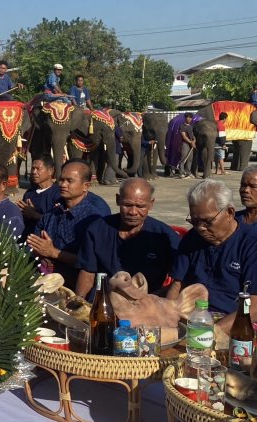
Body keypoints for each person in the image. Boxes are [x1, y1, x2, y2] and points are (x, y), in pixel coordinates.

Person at [167, 179, 257, 329]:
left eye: (207, 221)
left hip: (234, 323)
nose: (201, 228)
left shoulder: (251, 244)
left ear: (229, 213)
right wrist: (168, 321)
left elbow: (254, 306)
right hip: (191, 318)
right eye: (194, 221)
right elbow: (176, 286)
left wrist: (212, 333)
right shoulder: (192, 239)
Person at [75, 178, 180, 298]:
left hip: (145, 304)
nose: (133, 212)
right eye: (127, 205)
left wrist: (152, 300)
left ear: (151, 204)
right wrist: (80, 302)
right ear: (118, 200)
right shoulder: (98, 229)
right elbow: (87, 272)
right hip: (103, 300)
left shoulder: (165, 236)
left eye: (140, 206)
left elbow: (180, 281)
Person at [27, 160, 108, 289]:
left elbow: (91, 263)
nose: (63, 185)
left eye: (69, 181)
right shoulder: (52, 214)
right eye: (61, 180)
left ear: (86, 186)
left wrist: (53, 252)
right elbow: (33, 243)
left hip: (73, 285)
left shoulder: (94, 220)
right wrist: (38, 251)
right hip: (43, 279)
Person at [16, 155, 58, 239]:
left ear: (50, 171)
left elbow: (57, 222)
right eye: (33, 168)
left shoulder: (58, 193)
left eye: (38, 169)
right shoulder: (29, 193)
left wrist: (34, 215)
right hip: (27, 238)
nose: (34, 172)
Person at [178, 112, 196, 179]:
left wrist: (194, 140)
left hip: (191, 144)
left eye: (190, 117)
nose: (189, 119)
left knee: (190, 159)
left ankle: (188, 172)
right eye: (188, 117)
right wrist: (190, 142)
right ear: (185, 118)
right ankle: (181, 173)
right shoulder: (182, 126)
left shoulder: (191, 126)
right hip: (185, 144)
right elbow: (184, 136)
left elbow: (192, 135)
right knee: (183, 158)